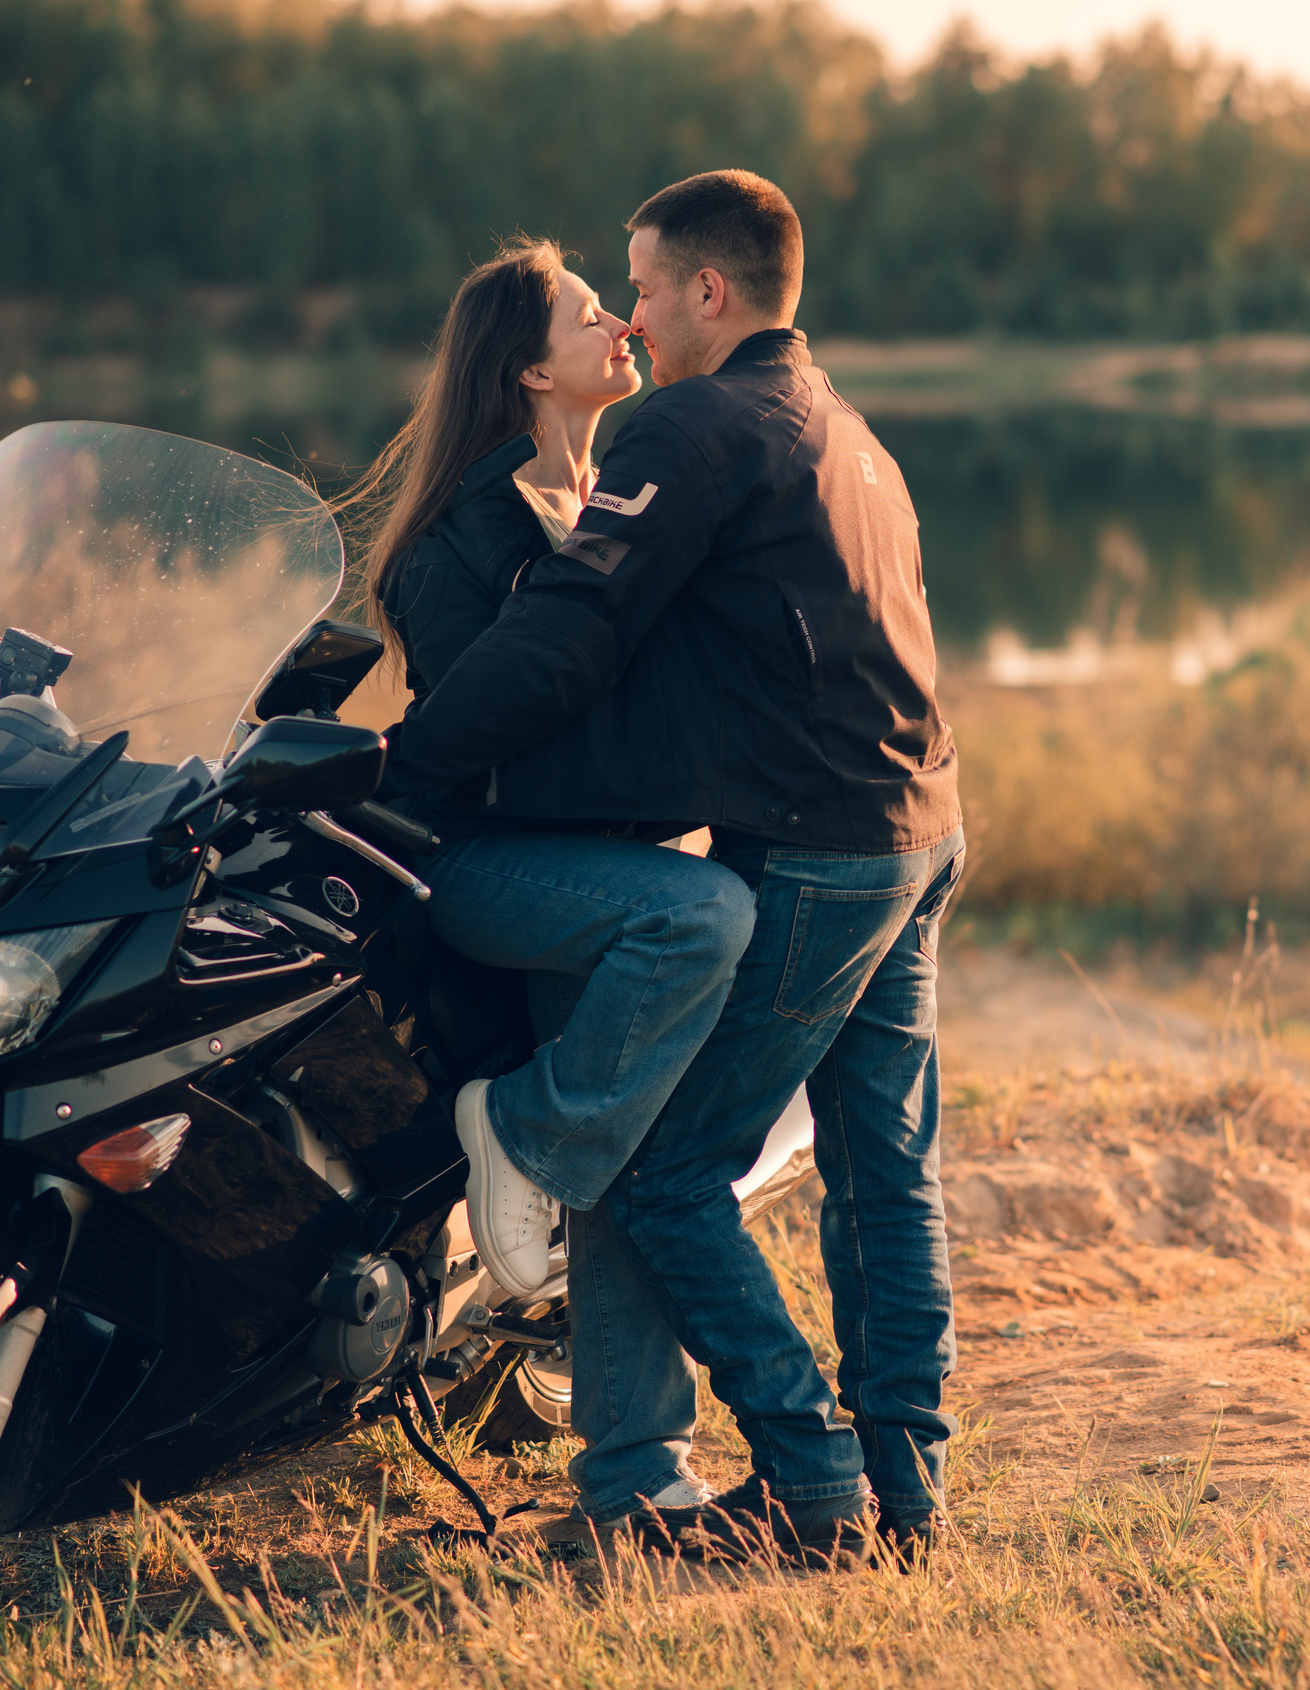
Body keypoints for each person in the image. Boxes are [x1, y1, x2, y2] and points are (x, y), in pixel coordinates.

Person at [378, 171, 962, 1562]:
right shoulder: (847, 431)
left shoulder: (696, 425)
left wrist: (406, 775)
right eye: (609, 297)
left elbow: (572, 638)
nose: (633, 315)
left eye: (639, 283)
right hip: (918, 830)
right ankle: (906, 1494)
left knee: (662, 1177)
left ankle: (814, 1481)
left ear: (711, 290)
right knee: (886, 1168)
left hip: (819, 854)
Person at [343, 236, 755, 1519]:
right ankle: (515, 1132)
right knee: (688, 955)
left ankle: (634, 1473)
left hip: (613, 864)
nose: (621, 328)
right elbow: (489, 744)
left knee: (626, 1152)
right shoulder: (454, 545)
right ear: (527, 369)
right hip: (499, 867)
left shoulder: (615, 503)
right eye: (592, 314)